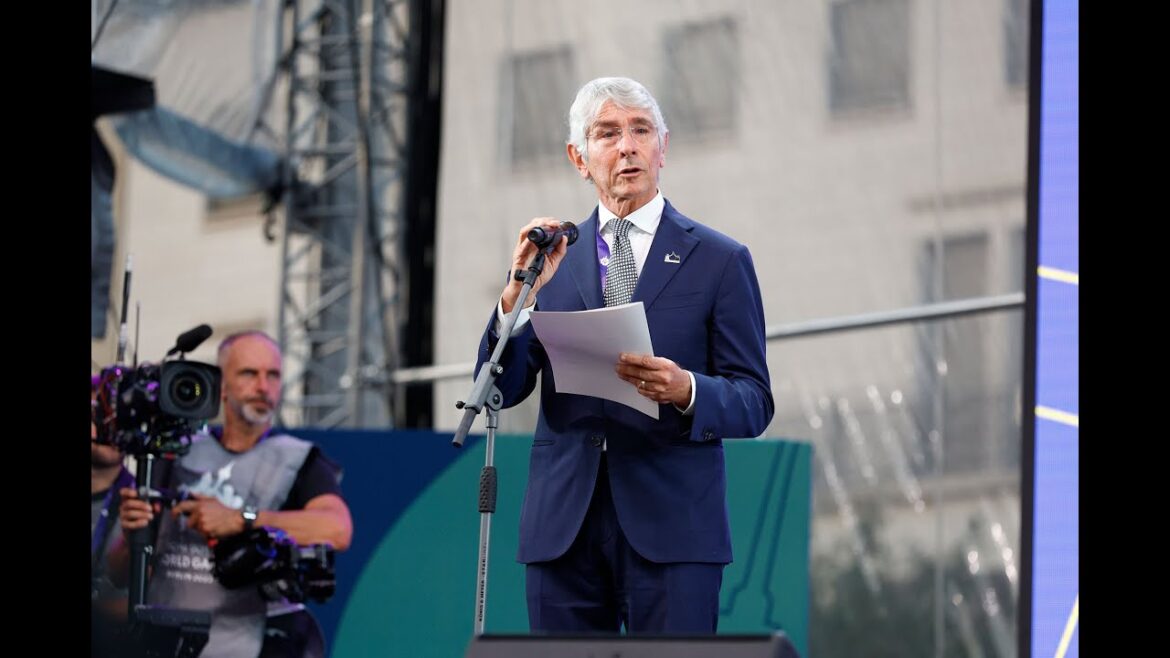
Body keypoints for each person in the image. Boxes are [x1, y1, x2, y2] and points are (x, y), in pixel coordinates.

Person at [476, 76, 774, 634]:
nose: (627, 146)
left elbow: (754, 401)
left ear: (664, 148)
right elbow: (500, 388)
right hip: (564, 523)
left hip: (673, 523)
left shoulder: (719, 259)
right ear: (579, 157)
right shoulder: (551, 259)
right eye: (607, 133)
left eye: (641, 131)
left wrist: (687, 390)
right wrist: (516, 298)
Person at [108, 330, 353, 657]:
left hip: (251, 644)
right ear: (219, 384)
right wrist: (130, 539)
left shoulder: (299, 460)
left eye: (273, 375)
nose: (263, 387)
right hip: (164, 644)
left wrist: (242, 519)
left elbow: (337, 529)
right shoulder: (174, 452)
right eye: (249, 373)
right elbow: (120, 573)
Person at [92, 374, 135, 654]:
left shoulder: (142, 502)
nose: (109, 427)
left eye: (119, 417)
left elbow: (137, 604)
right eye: (98, 415)